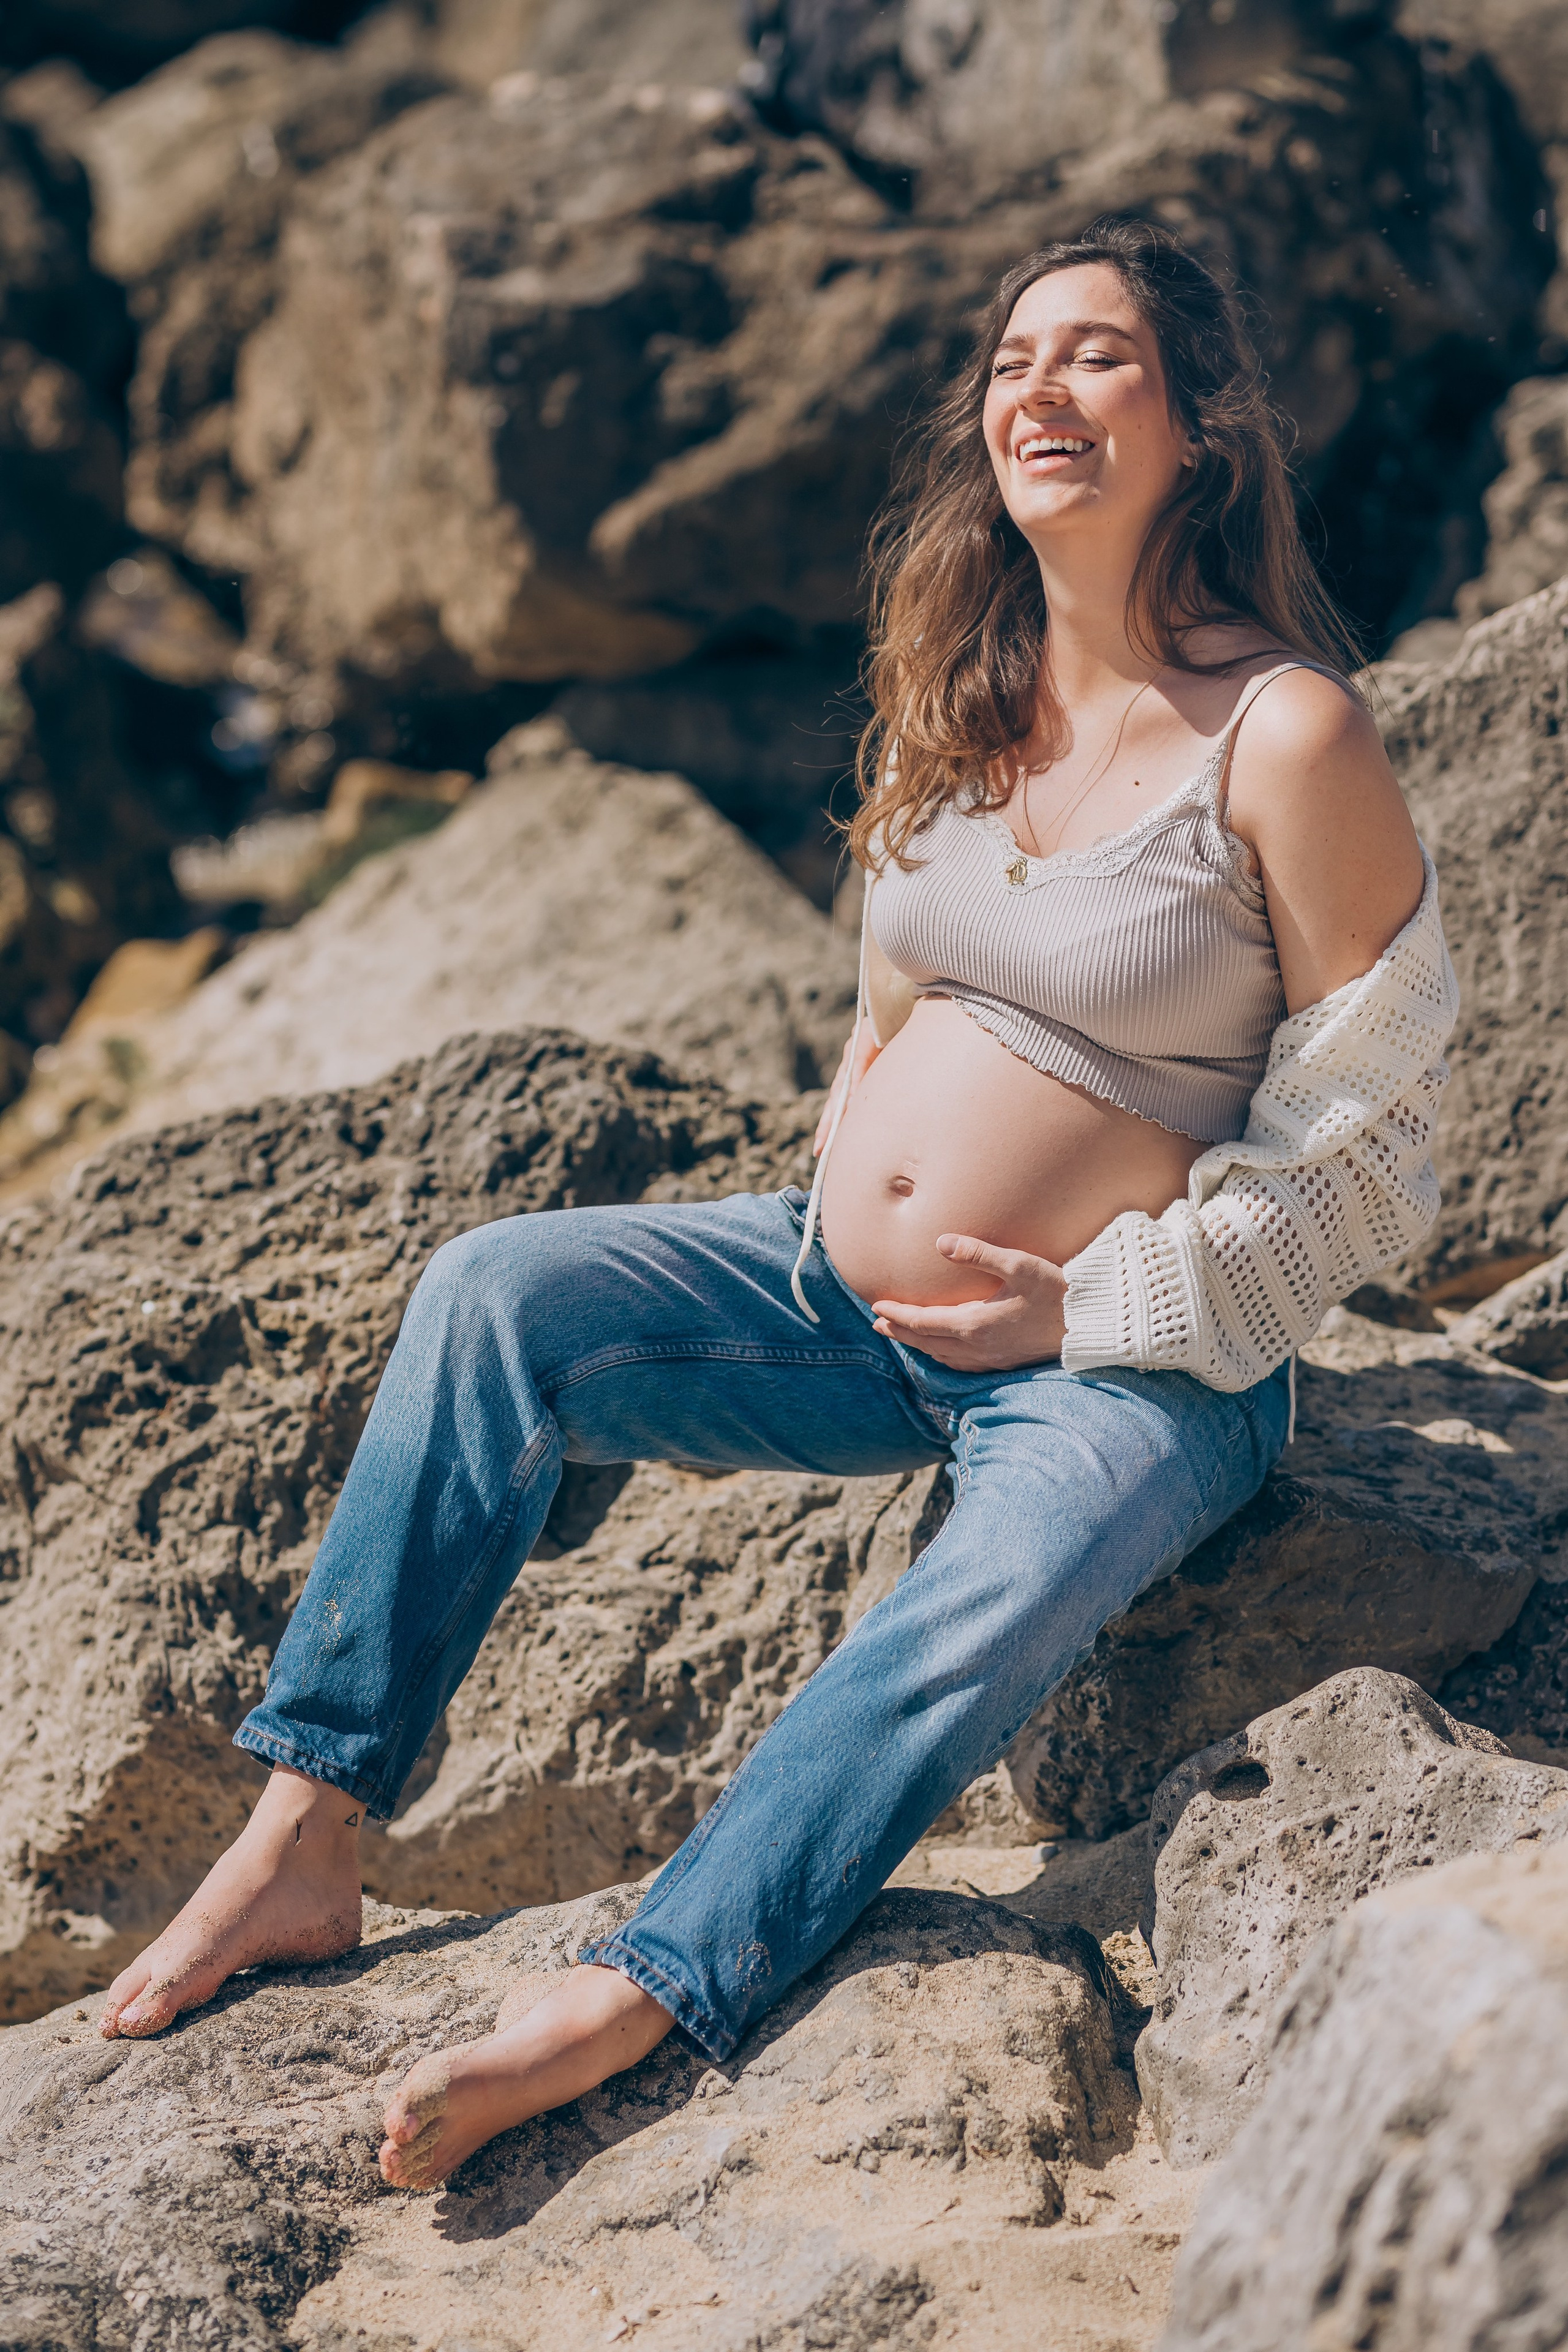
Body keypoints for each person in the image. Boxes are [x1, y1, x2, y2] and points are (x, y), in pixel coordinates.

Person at [97, 219, 1457, 2193]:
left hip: (1140, 1364)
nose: (1039, 392)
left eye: (1097, 359)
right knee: (498, 1295)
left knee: (987, 1580)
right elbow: (889, 1003)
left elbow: (1377, 1152)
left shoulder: (1288, 732)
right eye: (1012, 362)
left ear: (1202, 433)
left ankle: (648, 1982)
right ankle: (308, 1830)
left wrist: (1089, 1310)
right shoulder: (955, 693)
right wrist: (860, 1178)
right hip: (838, 1306)